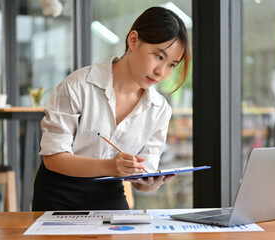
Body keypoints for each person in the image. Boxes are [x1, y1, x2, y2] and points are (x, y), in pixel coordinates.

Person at [32, 6, 191, 211]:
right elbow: (53, 158)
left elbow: (145, 172)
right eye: (159, 57)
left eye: (172, 65)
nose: (161, 71)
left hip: (109, 194)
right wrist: (109, 166)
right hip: (58, 192)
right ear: (133, 40)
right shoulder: (78, 86)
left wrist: (147, 182)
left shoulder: (159, 110)